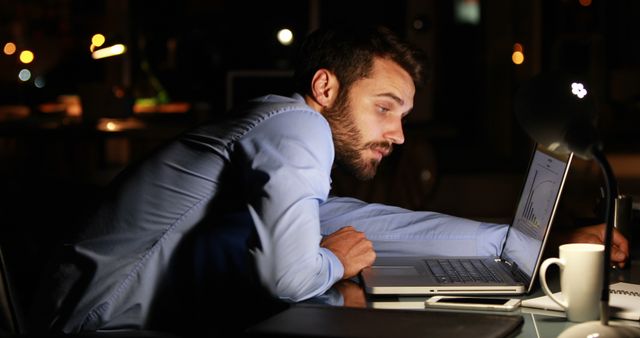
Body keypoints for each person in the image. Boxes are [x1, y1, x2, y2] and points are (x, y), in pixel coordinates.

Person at [30, 25, 629, 336]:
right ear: (325, 89)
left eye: (405, 115)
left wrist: (528, 247)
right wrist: (333, 270)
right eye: (386, 106)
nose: (398, 135)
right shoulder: (297, 127)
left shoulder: (281, 136)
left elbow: (352, 224)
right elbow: (290, 273)